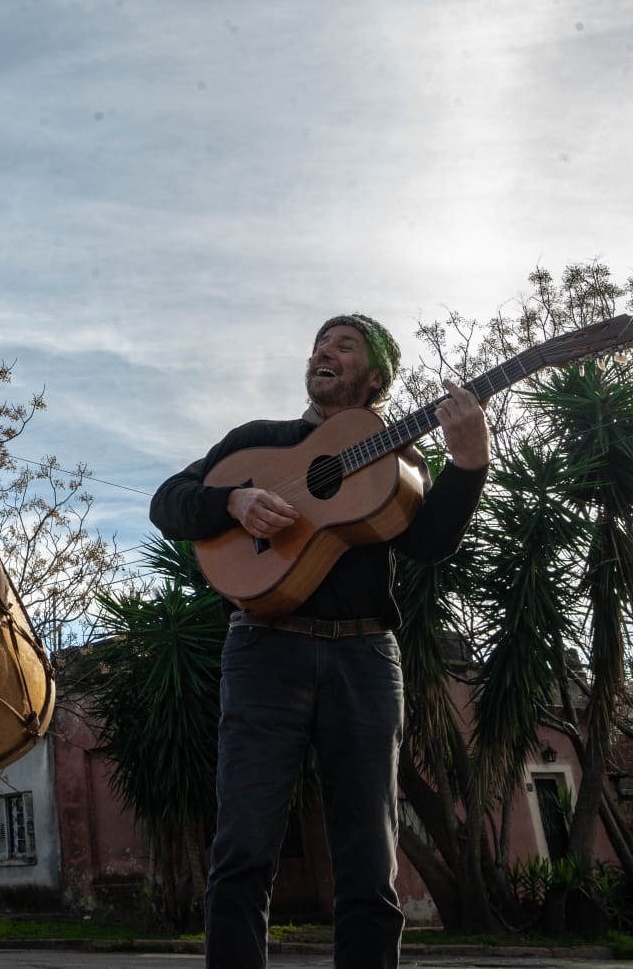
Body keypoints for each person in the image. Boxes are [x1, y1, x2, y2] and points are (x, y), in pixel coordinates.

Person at [149, 314, 490, 969]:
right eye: (319, 342)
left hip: (364, 658)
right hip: (263, 651)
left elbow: (429, 545)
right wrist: (234, 502)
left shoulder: (399, 465)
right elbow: (169, 502)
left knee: (368, 864)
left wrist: (468, 464)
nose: (323, 351)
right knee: (244, 850)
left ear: (375, 378)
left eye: (344, 344)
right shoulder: (259, 444)